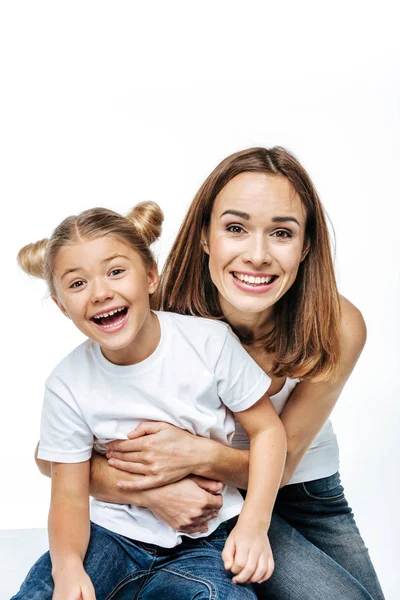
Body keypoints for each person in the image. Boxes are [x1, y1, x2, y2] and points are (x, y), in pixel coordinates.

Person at [34, 147, 385, 600]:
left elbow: (280, 464)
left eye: (281, 233)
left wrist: (196, 455)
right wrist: (147, 494)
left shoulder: (337, 324)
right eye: (235, 229)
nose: (257, 255)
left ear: (306, 245)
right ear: (205, 236)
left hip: (302, 493)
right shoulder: (152, 309)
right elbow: (51, 458)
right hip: (209, 507)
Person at [14, 201, 287, 600]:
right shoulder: (66, 384)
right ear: (61, 307)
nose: (100, 293)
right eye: (77, 284)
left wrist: (253, 525)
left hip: (206, 539)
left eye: (116, 271)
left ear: (151, 276)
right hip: (108, 539)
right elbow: (70, 494)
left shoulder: (208, 344)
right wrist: (69, 566)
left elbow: (268, 431)